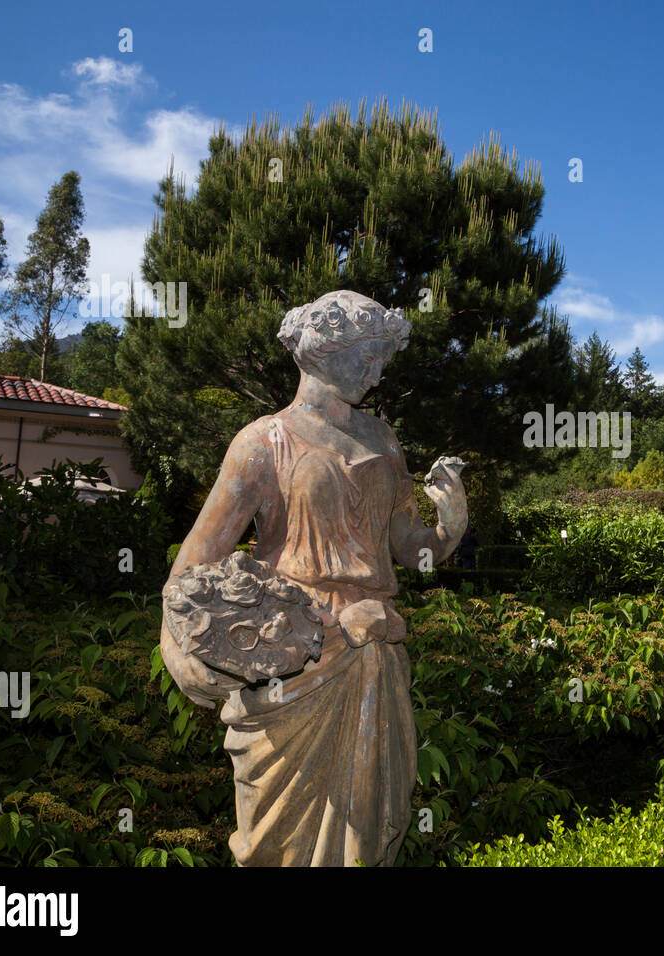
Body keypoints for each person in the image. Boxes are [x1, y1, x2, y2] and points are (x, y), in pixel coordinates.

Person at [159, 290, 468, 867]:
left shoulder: (383, 440)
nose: (377, 375)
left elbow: (411, 549)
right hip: (297, 655)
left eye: (383, 361)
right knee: (276, 844)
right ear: (323, 352)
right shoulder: (261, 443)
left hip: (375, 653)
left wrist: (449, 527)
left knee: (371, 833)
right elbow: (190, 575)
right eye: (366, 358)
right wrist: (195, 656)